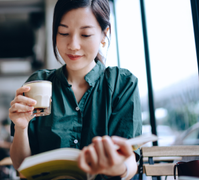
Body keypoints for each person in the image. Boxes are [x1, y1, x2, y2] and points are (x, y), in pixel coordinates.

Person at [9, 0, 142, 179]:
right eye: (64, 32)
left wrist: (118, 168)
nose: (73, 45)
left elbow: (130, 161)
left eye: (85, 34)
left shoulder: (122, 84)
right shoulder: (38, 84)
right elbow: (22, 166)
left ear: (104, 34)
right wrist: (20, 127)